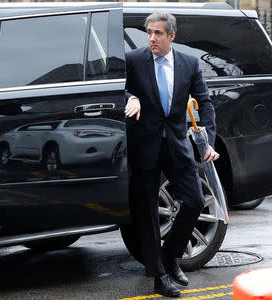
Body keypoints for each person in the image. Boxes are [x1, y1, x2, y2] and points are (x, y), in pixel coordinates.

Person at [123, 12, 220, 297]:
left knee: (194, 201)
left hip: (177, 145)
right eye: (148, 32)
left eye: (158, 33)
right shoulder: (134, 60)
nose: (151, 38)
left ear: (171, 36)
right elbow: (120, 89)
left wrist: (209, 142)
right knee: (147, 213)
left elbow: (205, 103)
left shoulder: (189, 64)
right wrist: (132, 98)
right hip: (145, 145)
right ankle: (159, 275)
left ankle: (170, 255)